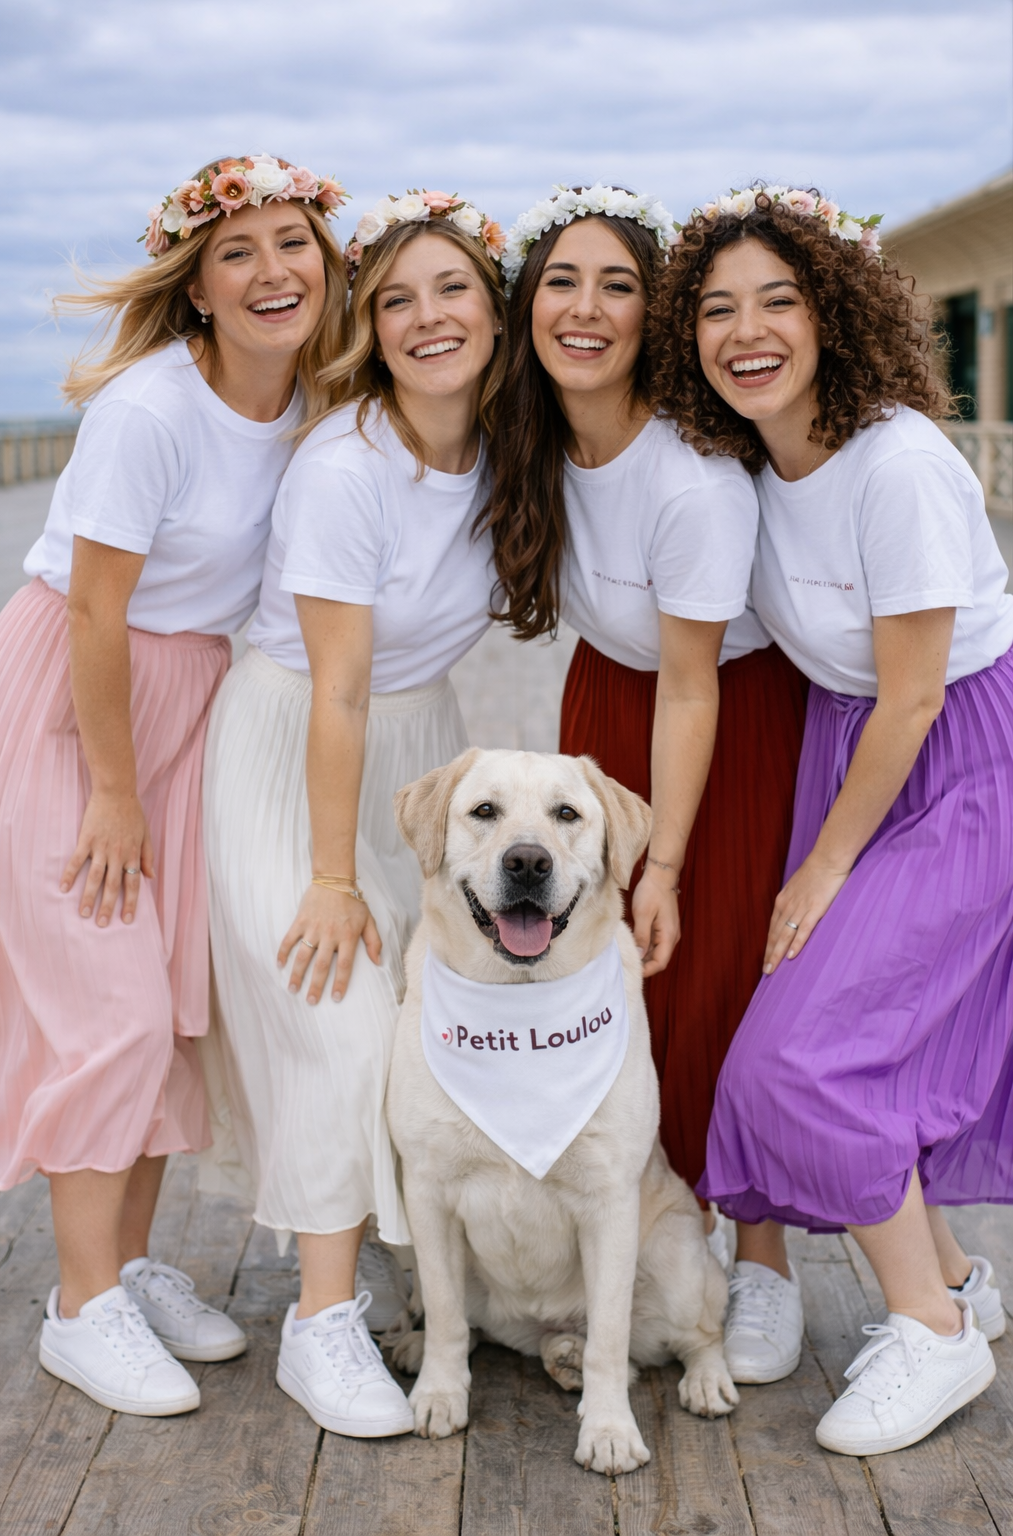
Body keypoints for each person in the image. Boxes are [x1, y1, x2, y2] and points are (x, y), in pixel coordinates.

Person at [653, 183, 1012, 1454]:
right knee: (852, 1035)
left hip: (957, 758)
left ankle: (930, 1330)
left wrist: (820, 869)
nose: (745, 331)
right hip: (851, 745)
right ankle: (958, 1279)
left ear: (835, 316)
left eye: (777, 302)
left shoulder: (898, 462)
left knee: (800, 1054)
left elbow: (916, 697)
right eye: (715, 310)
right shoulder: (751, 464)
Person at [0, 153, 349, 1416]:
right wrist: (113, 789)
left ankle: (125, 1266)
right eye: (236, 253)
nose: (271, 272)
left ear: (327, 262)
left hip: (196, 701)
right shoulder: (149, 410)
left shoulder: (316, 399)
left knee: (166, 1005)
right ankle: (77, 1310)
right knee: (109, 1010)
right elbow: (93, 608)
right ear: (194, 287)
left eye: (292, 243)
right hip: (77, 704)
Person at [202, 189, 507, 1438]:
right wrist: (334, 875)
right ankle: (318, 1323)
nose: (427, 317)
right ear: (368, 328)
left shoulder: (507, 443)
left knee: (414, 1019)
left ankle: (378, 1257)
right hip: (297, 741)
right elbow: (335, 691)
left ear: (495, 310)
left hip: (420, 733)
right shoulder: (347, 465)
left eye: (452, 291)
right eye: (395, 299)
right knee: (335, 1006)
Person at [481, 186, 807, 1297]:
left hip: (723, 710)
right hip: (606, 706)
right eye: (561, 281)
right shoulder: (530, 440)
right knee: (614, 986)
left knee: (715, 971)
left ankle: (755, 1261)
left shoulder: (692, 478)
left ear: (651, 315)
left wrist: (659, 857)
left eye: (617, 285)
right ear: (526, 306)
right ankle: (634, 1228)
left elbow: (691, 686)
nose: (585, 308)